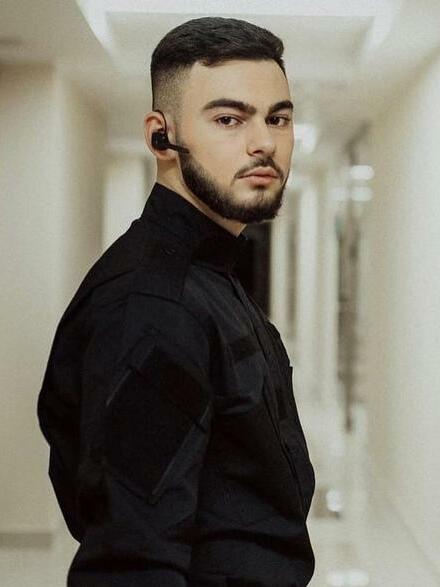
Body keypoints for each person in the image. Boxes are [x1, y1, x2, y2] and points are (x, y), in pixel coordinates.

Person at [37, 16, 315, 587]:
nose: (264, 143)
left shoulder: (212, 277)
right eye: (229, 118)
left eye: (278, 118)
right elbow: (131, 564)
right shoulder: (156, 306)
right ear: (160, 136)